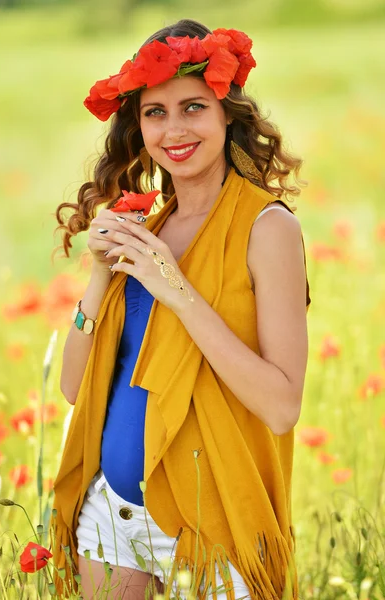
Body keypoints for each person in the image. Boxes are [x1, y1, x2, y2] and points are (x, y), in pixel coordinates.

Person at [51, 18, 311, 600]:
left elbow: (281, 406)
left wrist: (178, 292)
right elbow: (74, 388)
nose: (174, 130)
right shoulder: (149, 225)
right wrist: (99, 274)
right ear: (137, 126)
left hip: (212, 522)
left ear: (227, 115)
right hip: (112, 519)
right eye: (155, 113)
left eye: (193, 107)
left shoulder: (266, 228)